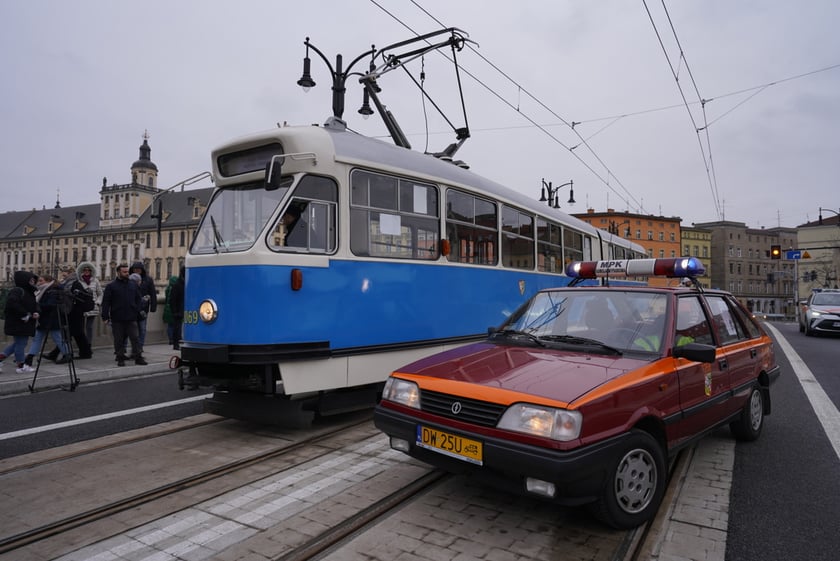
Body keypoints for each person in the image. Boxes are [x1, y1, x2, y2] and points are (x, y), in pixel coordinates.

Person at [102, 264, 147, 367]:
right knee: (119, 340)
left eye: (127, 272)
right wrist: (105, 316)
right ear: (118, 272)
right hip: (117, 318)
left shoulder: (133, 285)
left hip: (131, 317)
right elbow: (106, 302)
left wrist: (137, 310)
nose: (127, 274)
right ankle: (120, 358)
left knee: (135, 338)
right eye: (124, 272)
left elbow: (138, 299)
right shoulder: (111, 286)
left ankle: (138, 357)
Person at [1, 271, 40, 373]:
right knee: (20, 344)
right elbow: (12, 304)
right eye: (31, 280)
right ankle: (21, 365)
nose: (33, 282)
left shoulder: (29, 291)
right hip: (18, 322)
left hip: (24, 322)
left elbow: (33, 305)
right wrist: (25, 313)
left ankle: (2, 359)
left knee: (19, 343)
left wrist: (36, 312)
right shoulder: (18, 290)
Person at [27, 275, 71, 364]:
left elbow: (51, 305)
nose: (39, 283)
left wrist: (37, 305)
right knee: (37, 338)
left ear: (48, 281)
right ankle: (30, 357)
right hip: (44, 319)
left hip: (52, 319)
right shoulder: (44, 290)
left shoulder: (53, 290)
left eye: (41, 281)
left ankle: (67, 355)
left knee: (57, 338)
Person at [58, 266, 93, 359]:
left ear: (70, 274)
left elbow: (78, 298)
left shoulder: (75, 283)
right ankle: (85, 353)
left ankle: (80, 353)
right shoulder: (68, 283)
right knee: (77, 334)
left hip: (75, 312)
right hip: (72, 312)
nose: (63, 276)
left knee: (73, 333)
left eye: (64, 274)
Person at [130, 261, 157, 348]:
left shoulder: (148, 279)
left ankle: (140, 346)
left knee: (142, 329)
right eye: (135, 269)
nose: (137, 271)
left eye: (138, 269)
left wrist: (153, 306)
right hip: (132, 308)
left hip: (143, 308)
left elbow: (153, 293)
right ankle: (135, 347)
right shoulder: (130, 279)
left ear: (142, 270)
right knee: (132, 330)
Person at [77, 261, 104, 348]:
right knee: (80, 327)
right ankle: (82, 345)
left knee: (89, 327)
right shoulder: (78, 281)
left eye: (88, 270)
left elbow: (100, 293)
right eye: (85, 270)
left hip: (92, 307)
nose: (87, 271)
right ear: (82, 271)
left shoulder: (95, 281)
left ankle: (89, 345)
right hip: (81, 307)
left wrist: (98, 302)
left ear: (91, 271)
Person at [163, 266, 185, 350]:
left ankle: (176, 342)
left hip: (180, 310)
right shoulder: (178, 285)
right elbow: (172, 300)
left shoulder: (180, 284)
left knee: (177, 327)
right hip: (178, 311)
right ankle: (175, 343)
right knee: (176, 328)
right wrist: (175, 312)